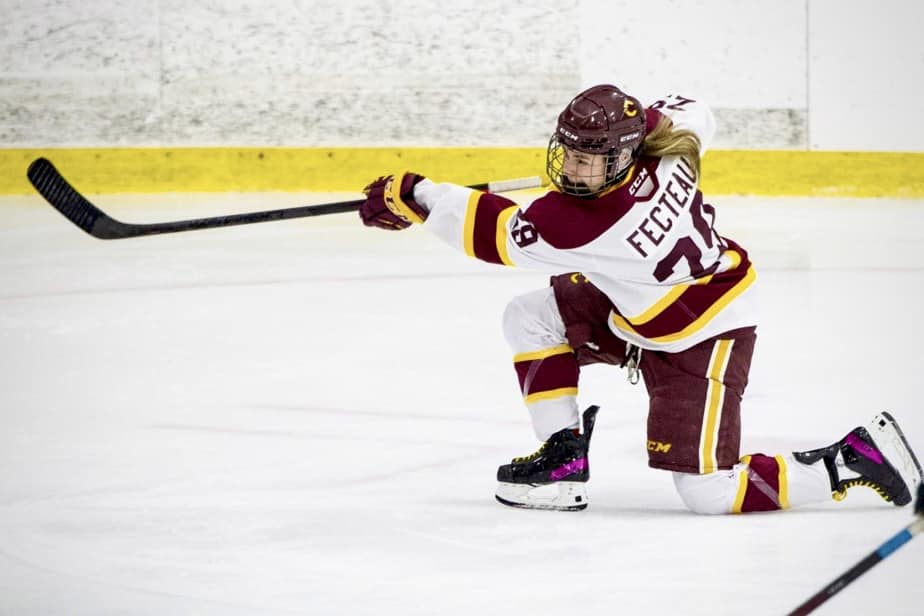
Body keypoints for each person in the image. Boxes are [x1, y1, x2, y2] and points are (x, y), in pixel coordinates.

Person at [357, 84, 923, 513]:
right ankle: (564, 457)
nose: (571, 166)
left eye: (587, 158)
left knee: (706, 492)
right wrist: (646, 121)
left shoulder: (582, 225)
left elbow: (494, 233)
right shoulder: (671, 150)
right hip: (643, 309)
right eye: (569, 151)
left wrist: (417, 195)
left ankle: (852, 459)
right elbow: (694, 109)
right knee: (531, 317)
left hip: (708, 331)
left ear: (622, 158)